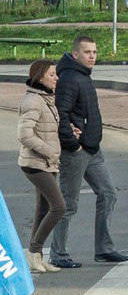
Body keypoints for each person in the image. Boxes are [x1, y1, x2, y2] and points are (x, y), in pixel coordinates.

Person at [50, 35, 128, 267]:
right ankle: (58, 254)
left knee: (108, 192)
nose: (92, 56)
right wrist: (73, 145)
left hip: (93, 150)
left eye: (94, 52)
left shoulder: (83, 75)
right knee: (68, 203)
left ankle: (104, 249)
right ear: (75, 54)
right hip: (76, 152)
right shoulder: (70, 78)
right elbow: (60, 115)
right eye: (87, 52)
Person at [17, 60, 66, 274]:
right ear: (40, 78)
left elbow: (46, 129)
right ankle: (33, 251)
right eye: (52, 75)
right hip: (35, 164)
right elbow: (24, 135)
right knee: (59, 207)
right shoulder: (33, 101)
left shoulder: (46, 99)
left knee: (43, 210)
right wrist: (50, 151)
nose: (56, 78)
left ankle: (36, 257)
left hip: (47, 163)